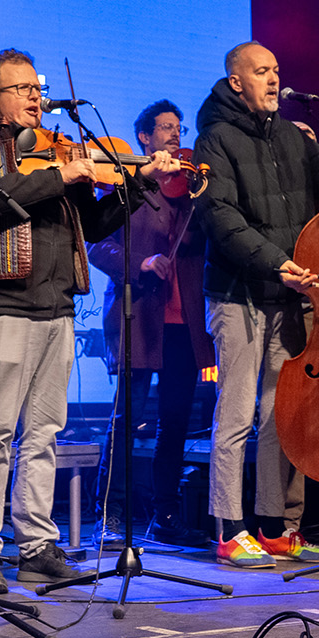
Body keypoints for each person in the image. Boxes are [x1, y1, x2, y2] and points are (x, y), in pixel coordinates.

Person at [0, 50, 180, 590]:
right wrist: (60, 174)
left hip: (58, 305)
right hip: (3, 303)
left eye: (37, 88)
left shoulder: (54, 150)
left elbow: (92, 225)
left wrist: (138, 182)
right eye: (21, 88)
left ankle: (36, 545)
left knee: (44, 433)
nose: (35, 96)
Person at [192, 41, 319, 568]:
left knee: (278, 416)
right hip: (238, 295)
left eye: (276, 70)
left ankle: (273, 527)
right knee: (235, 415)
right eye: (261, 71)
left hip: (285, 297)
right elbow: (221, 218)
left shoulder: (291, 135)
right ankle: (229, 529)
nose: (273, 79)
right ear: (236, 82)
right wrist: (277, 262)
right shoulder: (213, 139)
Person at [88, 100, 214, 548]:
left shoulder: (190, 191)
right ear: (144, 137)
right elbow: (97, 246)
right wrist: (141, 262)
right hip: (140, 315)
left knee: (175, 422)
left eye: (178, 127)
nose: (175, 134)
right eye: (165, 127)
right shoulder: (127, 184)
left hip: (184, 322)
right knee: (128, 418)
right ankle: (111, 513)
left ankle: (165, 512)